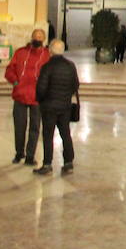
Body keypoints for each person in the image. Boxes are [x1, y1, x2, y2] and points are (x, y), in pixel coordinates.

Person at [4, 28, 51, 165]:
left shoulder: (47, 55)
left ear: (44, 39)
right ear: (31, 37)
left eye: (40, 37)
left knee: (35, 127)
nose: (38, 38)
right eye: (36, 36)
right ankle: (19, 153)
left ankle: (30, 155)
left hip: (38, 97)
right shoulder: (21, 53)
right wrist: (15, 81)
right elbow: (10, 70)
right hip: (20, 95)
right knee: (19, 126)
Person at [35, 39, 80, 175]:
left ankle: (47, 164)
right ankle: (68, 163)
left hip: (49, 107)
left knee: (48, 135)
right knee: (65, 134)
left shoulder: (47, 67)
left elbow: (41, 89)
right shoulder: (70, 66)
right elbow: (76, 85)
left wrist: (41, 100)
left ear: (50, 51)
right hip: (65, 106)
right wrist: (65, 96)